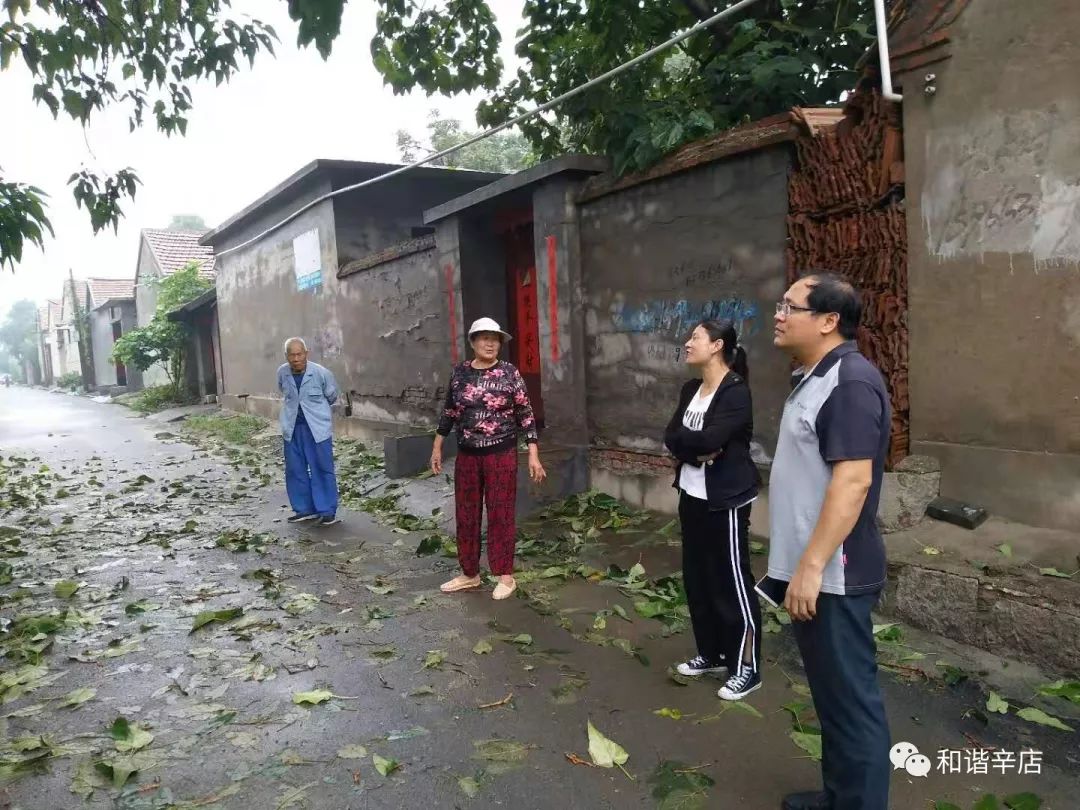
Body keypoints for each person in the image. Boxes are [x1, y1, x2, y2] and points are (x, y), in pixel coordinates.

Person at [763, 273, 892, 810]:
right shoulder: (815, 375)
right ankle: (840, 796)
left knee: (851, 702)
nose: (779, 313)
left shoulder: (851, 382)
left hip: (832, 574)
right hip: (811, 570)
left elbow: (854, 480)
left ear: (828, 320)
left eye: (789, 305)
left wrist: (812, 566)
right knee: (832, 699)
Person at [663, 319, 762, 702]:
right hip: (692, 494)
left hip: (727, 499)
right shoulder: (691, 388)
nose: (687, 343)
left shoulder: (736, 391)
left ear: (717, 345)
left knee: (732, 581)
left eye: (695, 338)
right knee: (698, 577)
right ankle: (713, 653)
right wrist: (696, 449)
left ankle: (747, 667)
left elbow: (713, 438)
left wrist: (697, 444)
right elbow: (674, 437)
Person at [431, 317, 546, 600]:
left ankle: (505, 576)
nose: (490, 343)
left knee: (500, 513)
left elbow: (526, 414)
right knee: (466, 514)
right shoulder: (459, 373)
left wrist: (533, 453)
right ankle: (469, 574)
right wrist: (437, 445)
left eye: (495, 339)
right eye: (484, 338)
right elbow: (449, 411)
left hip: (501, 453)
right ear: (472, 342)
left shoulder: (510, 373)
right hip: (467, 455)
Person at [277, 337, 340, 526]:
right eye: (291, 355)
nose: (296, 359)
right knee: (295, 470)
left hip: (317, 429)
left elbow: (332, 395)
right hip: (292, 428)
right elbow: (284, 393)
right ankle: (304, 509)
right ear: (286, 356)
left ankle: (327, 510)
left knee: (322, 468)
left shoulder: (321, 373)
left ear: (306, 353)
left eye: (299, 354)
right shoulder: (282, 373)